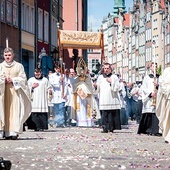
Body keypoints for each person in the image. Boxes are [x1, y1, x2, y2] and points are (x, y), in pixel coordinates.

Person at [0, 47, 32, 139]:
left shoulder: (19, 66)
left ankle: (13, 132)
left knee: (15, 111)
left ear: (13, 55)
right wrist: (3, 80)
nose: (7, 57)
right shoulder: (0, 66)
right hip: (3, 92)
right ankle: (4, 131)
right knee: (3, 110)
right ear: (3, 56)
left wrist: (13, 80)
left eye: (9, 55)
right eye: (6, 55)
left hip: (15, 92)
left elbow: (23, 79)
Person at [94, 62, 121, 133]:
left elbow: (117, 88)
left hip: (112, 98)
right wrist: (96, 86)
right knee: (104, 114)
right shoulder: (100, 77)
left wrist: (111, 82)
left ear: (110, 69)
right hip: (103, 98)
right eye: (105, 68)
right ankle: (105, 127)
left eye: (107, 68)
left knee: (112, 114)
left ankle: (111, 128)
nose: (106, 70)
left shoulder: (114, 77)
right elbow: (97, 89)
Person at [70, 58, 96, 127]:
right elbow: (74, 86)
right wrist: (78, 89)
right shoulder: (76, 79)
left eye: (82, 70)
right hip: (79, 97)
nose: (81, 73)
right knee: (79, 109)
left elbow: (90, 87)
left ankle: (88, 122)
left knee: (87, 108)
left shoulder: (87, 78)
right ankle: (80, 122)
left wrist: (87, 92)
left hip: (87, 97)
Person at [137, 62, 161, 136]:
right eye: (153, 66)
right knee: (149, 113)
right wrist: (150, 94)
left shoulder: (159, 77)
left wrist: (157, 86)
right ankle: (147, 129)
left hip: (157, 97)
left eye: (155, 67)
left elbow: (163, 86)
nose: (154, 68)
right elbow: (144, 88)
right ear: (150, 68)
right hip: (149, 98)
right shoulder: (147, 78)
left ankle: (156, 130)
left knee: (156, 113)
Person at [156, 66, 170, 143]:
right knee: (168, 118)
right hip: (169, 98)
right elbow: (164, 85)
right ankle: (168, 135)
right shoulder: (167, 71)